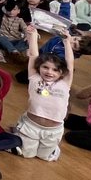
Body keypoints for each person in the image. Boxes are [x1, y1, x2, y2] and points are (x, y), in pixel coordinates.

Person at [15, 24, 74, 160]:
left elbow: (70, 63)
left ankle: (53, 148)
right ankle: (19, 131)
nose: (49, 72)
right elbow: (34, 55)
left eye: (54, 70)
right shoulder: (34, 78)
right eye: (45, 67)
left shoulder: (64, 83)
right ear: (39, 67)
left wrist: (66, 42)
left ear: (61, 72)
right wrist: (33, 36)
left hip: (52, 131)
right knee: (27, 155)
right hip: (31, 126)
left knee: (44, 157)